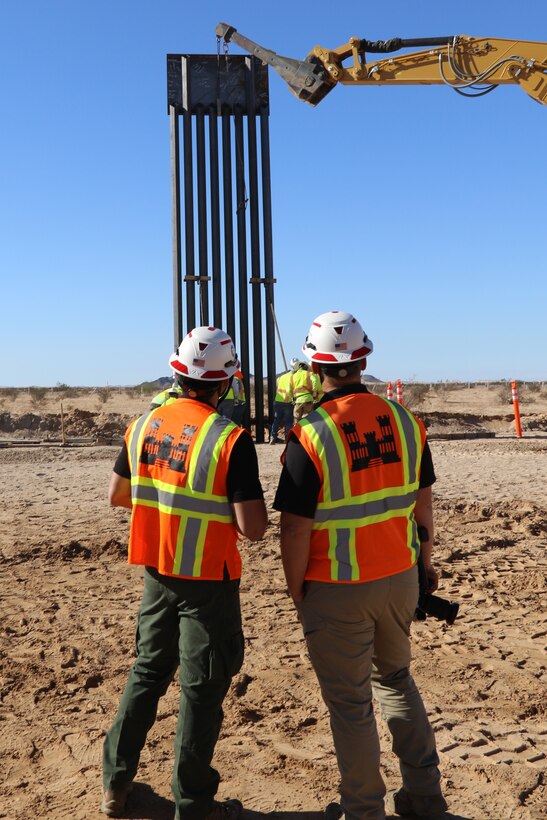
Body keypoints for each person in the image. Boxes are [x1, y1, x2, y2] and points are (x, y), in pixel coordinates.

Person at [274, 310, 448, 820]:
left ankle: (364, 810)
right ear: (364, 358)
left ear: (314, 365)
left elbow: (294, 528)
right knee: (396, 680)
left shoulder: (311, 434)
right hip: (399, 578)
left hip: (336, 585)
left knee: (351, 705)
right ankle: (425, 796)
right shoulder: (404, 421)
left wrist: (295, 587)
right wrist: (426, 566)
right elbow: (423, 505)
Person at [101, 326, 267, 820]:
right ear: (227, 382)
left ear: (177, 373)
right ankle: (193, 803)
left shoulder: (144, 425)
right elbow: (252, 528)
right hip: (208, 582)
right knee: (202, 688)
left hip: (157, 572)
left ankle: (115, 782)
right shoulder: (229, 439)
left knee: (148, 671)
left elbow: (117, 494)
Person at [269, 361, 295, 444]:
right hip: (287, 401)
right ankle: (287, 438)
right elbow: (290, 390)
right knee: (289, 421)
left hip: (278, 401)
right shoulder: (293, 377)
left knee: (277, 420)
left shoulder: (281, 377)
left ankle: (272, 437)